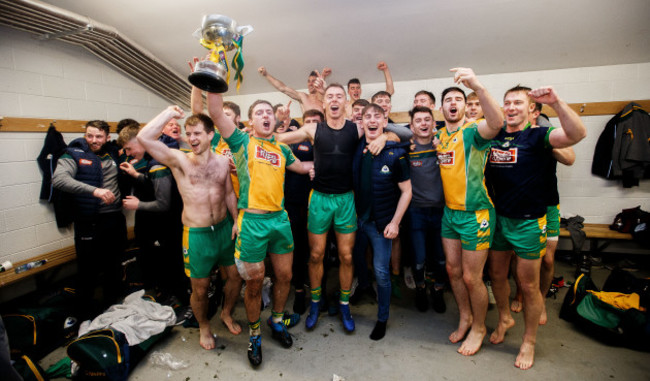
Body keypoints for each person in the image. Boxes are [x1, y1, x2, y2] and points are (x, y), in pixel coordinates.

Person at [275, 84, 400, 334]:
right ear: (323, 103)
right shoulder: (312, 128)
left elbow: (397, 136)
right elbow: (277, 140)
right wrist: (272, 128)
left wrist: (385, 136)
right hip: (319, 199)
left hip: (345, 200)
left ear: (345, 103)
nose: (334, 100)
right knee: (316, 255)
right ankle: (315, 303)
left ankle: (344, 304)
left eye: (338, 96)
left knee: (346, 256)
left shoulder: (357, 128)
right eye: (329, 96)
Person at [206, 92, 313, 367]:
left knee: (285, 276)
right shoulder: (242, 141)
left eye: (269, 112)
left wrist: (322, 166)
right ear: (250, 122)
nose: (266, 115)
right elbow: (216, 113)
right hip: (252, 222)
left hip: (280, 220)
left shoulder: (280, 147)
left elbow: (300, 166)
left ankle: (277, 320)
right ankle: (255, 334)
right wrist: (213, 82)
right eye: (260, 112)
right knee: (253, 283)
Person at [486, 85, 586, 370]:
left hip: (529, 221)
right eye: (507, 102)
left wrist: (557, 102)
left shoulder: (539, 136)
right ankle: (505, 316)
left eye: (518, 102)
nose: (511, 107)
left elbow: (577, 135)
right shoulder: (495, 136)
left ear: (532, 109)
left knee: (527, 284)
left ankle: (529, 340)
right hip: (498, 219)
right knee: (496, 275)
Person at [137, 108, 242, 351]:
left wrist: (236, 220)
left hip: (225, 230)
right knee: (200, 288)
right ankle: (204, 325)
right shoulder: (180, 160)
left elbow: (228, 193)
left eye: (197, 134)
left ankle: (226, 313)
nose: (192, 138)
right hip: (197, 235)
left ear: (210, 135)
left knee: (235, 278)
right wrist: (166, 114)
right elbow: (144, 138)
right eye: (188, 133)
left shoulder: (223, 162)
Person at [435, 68, 504, 357]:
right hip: (450, 214)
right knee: (453, 270)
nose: (453, 103)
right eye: (448, 100)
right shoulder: (440, 135)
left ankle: (479, 327)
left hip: (476, 214)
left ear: (465, 106)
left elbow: (497, 123)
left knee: (472, 278)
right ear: (442, 108)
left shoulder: (474, 131)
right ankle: (465, 317)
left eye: (458, 99)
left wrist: (476, 84)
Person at [52, 120, 127, 311]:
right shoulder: (74, 153)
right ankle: (85, 313)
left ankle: (113, 308)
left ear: (108, 137)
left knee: (114, 265)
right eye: (90, 135)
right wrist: (95, 191)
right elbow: (59, 179)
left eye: (99, 136)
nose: (94, 140)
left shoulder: (112, 151)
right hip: (89, 221)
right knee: (88, 270)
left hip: (114, 218)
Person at [352, 103, 411, 340]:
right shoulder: (355, 147)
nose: (372, 120)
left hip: (381, 223)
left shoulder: (396, 152)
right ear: (362, 122)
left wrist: (395, 222)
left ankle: (382, 318)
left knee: (382, 272)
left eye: (378, 116)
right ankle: (363, 287)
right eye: (368, 117)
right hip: (357, 220)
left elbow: (407, 192)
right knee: (356, 259)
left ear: (385, 122)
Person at [118, 125, 185, 302]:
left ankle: (179, 302)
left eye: (129, 148)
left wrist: (138, 204)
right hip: (170, 223)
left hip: (170, 224)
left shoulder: (156, 164)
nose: (128, 153)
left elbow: (163, 204)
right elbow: (153, 184)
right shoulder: (154, 158)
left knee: (172, 264)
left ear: (140, 141)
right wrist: (135, 174)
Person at [282, 109, 324, 314]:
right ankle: (299, 290)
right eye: (308, 122)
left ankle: (319, 291)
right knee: (298, 250)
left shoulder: (330, 144)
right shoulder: (293, 144)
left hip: (321, 204)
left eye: (316, 122)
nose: (312, 126)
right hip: (294, 204)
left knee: (319, 252)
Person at [407, 106, 446, 313]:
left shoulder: (444, 145)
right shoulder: (407, 148)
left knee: (441, 258)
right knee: (419, 258)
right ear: (411, 126)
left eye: (427, 120)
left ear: (433, 123)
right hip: (416, 212)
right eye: (418, 121)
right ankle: (421, 289)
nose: (423, 124)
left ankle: (438, 290)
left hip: (441, 212)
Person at [258, 66, 331, 113]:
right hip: (309, 133)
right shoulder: (303, 97)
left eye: (313, 81)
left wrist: (323, 78)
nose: (310, 84)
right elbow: (283, 88)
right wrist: (266, 75)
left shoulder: (325, 97)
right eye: (308, 81)